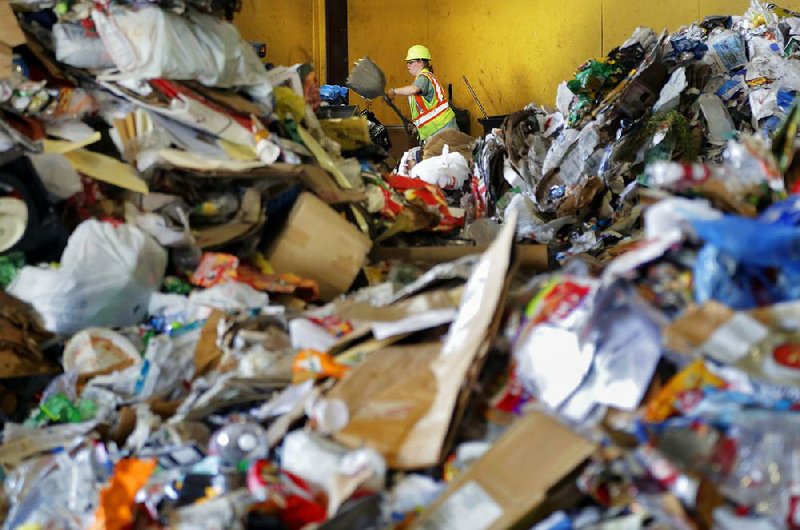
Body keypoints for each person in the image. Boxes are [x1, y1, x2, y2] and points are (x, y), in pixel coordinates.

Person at [387, 45, 458, 143]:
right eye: (407, 63)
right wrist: (417, 126)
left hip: (442, 128)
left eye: (410, 62)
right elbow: (424, 111)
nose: (408, 65)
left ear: (421, 62)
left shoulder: (424, 77)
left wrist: (394, 91)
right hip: (437, 129)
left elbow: (413, 90)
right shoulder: (421, 79)